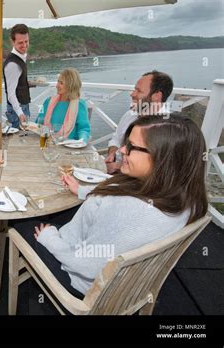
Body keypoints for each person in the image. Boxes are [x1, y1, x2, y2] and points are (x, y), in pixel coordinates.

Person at [13, 115, 207, 297]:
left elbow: (85, 263)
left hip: (80, 283)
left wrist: (50, 239)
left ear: (162, 158)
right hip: (129, 283)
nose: (122, 150)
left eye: (131, 146)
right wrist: (83, 191)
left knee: (21, 220)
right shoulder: (188, 200)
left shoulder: (124, 211)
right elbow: (117, 205)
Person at [105, 70, 173, 174]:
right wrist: (112, 152)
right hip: (115, 172)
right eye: (134, 89)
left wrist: (119, 166)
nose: (132, 94)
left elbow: (158, 168)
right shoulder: (129, 115)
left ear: (156, 96)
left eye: (139, 91)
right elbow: (116, 138)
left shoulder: (167, 128)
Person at [36, 68, 91, 143]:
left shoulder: (80, 105)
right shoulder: (47, 101)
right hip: (48, 143)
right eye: (57, 82)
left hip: (70, 146)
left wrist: (82, 141)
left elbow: (84, 129)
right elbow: (38, 121)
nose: (56, 86)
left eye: (61, 83)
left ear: (70, 85)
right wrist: (40, 121)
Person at [3, 24, 34, 129]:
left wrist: (27, 83)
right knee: (18, 142)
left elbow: (16, 82)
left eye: (26, 41)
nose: (25, 45)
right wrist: (20, 113)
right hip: (18, 110)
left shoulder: (20, 57)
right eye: (20, 42)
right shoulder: (13, 64)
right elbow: (10, 94)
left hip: (21, 107)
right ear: (12, 42)